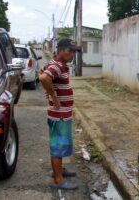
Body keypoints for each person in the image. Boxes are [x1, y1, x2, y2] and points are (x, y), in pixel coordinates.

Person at [39, 39, 80, 190]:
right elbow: (43, 77)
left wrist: (50, 92)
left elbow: (41, 72)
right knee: (58, 145)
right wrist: (54, 96)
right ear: (61, 50)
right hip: (59, 115)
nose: (73, 54)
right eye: (71, 51)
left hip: (61, 113)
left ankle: (60, 171)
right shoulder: (56, 65)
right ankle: (58, 180)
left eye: (74, 51)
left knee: (61, 144)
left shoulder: (57, 63)